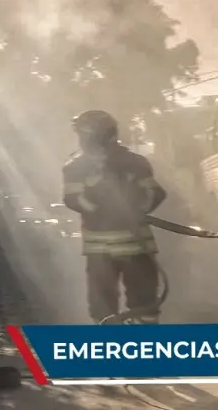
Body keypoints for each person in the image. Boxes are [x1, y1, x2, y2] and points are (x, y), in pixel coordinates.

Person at [62, 110, 167, 324]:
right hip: (110, 251)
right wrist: (105, 209)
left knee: (143, 304)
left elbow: (156, 193)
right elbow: (72, 199)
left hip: (128, 248)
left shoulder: (134, 163)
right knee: (104, 307)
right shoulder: (76, 167)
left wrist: (134, 208)